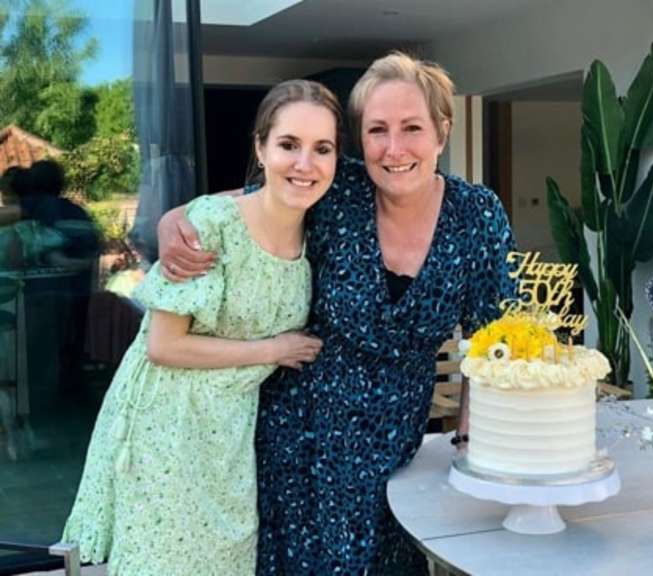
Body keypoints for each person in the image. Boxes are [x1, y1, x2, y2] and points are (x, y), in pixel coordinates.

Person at [159, 52, 517, 574]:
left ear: (442, 132)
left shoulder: (477, 214)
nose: (394, 149)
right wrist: (175, 220)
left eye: (411, 128)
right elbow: (240, 208)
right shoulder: (336, 189)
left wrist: (470, 442)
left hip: (395, 447)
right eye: (377, 130)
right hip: (297, 438)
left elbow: (494, 341)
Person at [61, 79, 341, 576]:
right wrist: (274, 348)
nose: (306, 163)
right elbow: (163, 346)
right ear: (260, 147)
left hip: (229, 433)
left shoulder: (319, 223)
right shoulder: (212, 225)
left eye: (323, 148)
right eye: (288, 144)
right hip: (167, 424)